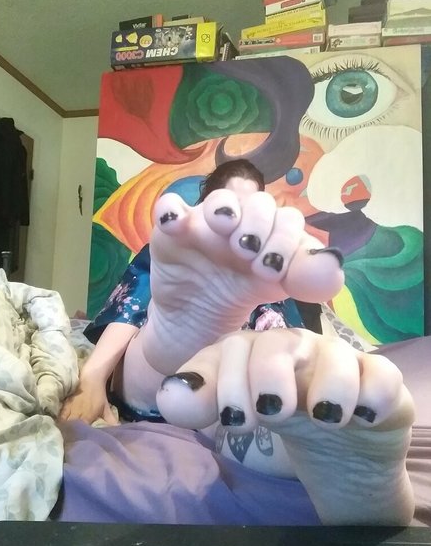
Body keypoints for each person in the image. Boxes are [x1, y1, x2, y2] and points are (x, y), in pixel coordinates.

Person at [59, 159, 317, 425]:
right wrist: (92, 377)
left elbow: (285, 339)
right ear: (205, 205)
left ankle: (210, 366)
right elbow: (128, 310)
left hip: (227, 389)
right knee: (161, 304)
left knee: (272, 343)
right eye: (229, 206)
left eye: (247, 207)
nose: (238, 219)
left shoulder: (268, 274)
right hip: (149, 379)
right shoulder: (170, 254)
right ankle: (177, 339)